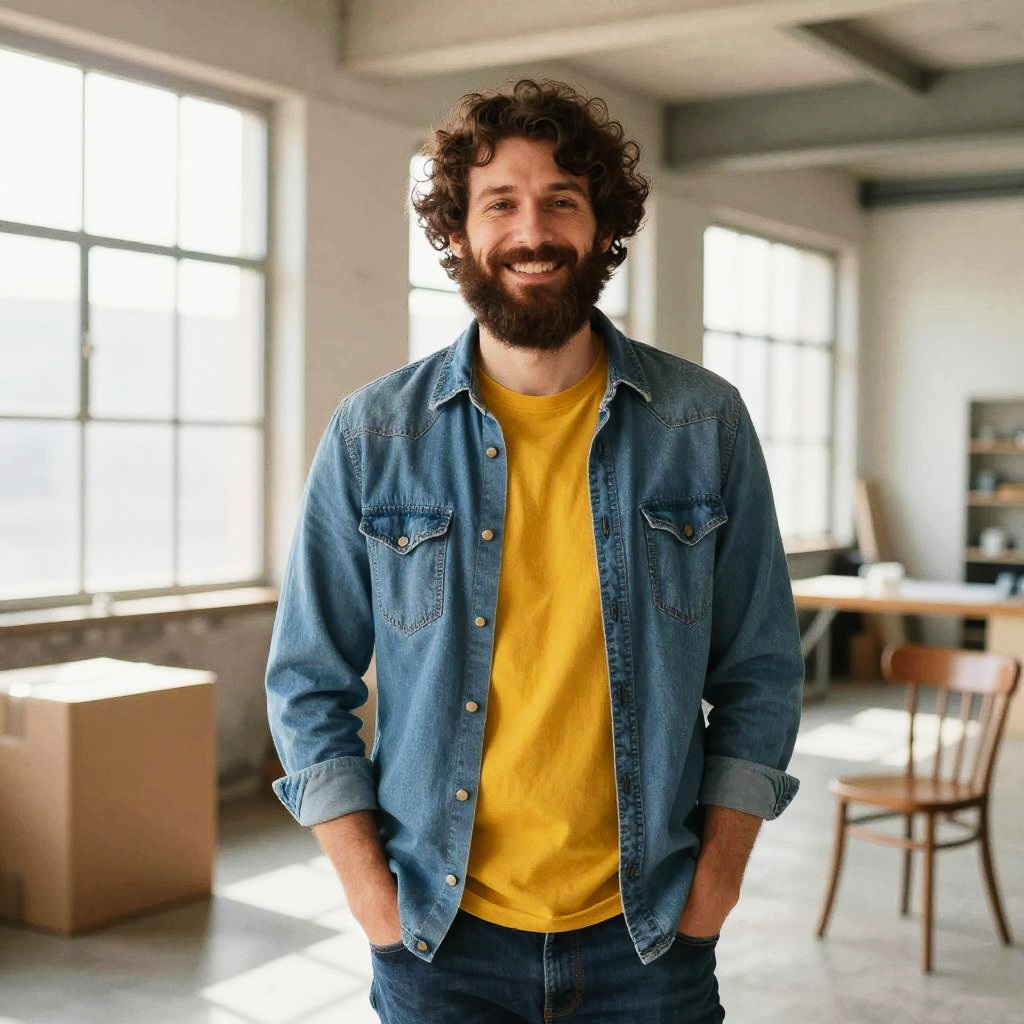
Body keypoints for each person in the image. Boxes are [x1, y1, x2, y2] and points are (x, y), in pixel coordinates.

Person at [265, 78, 804, 1023]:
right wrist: (371, 899)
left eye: (562, 199)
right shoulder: (374, 436)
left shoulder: (702, 424)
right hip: (440, 941)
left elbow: (760, 672)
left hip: (649, 941)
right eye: (500, 203)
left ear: (602, 227)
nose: (533, 230)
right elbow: (307, 682)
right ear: (460, 233)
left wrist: (714, 884)